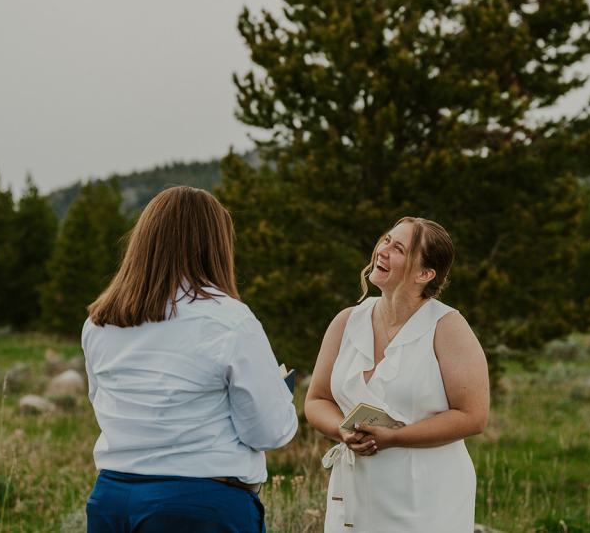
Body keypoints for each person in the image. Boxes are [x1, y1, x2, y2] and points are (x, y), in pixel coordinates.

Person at [82, 186, 298, 533]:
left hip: (113, 499)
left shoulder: (101, 321)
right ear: (215, 245)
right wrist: (281, 397)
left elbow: (101, 402)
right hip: (198, 504)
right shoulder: (230, 320)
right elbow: (267, 431)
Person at [304, 217, 489, 532]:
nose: (383, 250)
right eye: (386, 240)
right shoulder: (347, 321)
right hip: (353, 491)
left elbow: (473, 415)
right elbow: (317, 399)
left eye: (399, 248)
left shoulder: (447, 326)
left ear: (425, 273)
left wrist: (394, 438)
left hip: (424, 499)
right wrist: (342, 430)